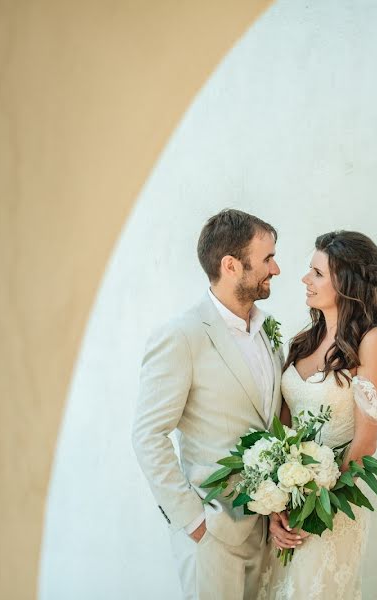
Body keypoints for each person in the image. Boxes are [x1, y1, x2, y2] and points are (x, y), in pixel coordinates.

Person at [132, 209, 284, 600]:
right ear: (231, 265)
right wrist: (194, 521)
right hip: (212, 536)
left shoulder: (269, 331)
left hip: (268, 533)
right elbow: (148, 434)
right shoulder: (181, 337)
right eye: (267, 259)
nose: (277, 268)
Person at [258, 231, 377, 600]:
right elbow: (283, 429)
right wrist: (277, 503)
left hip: (333, 507)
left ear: (345, 282)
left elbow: (366, 441)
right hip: (291, 504)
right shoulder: (303, 340)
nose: (305, 279)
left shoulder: (372, 341)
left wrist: (317, 504)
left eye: (317, 273)